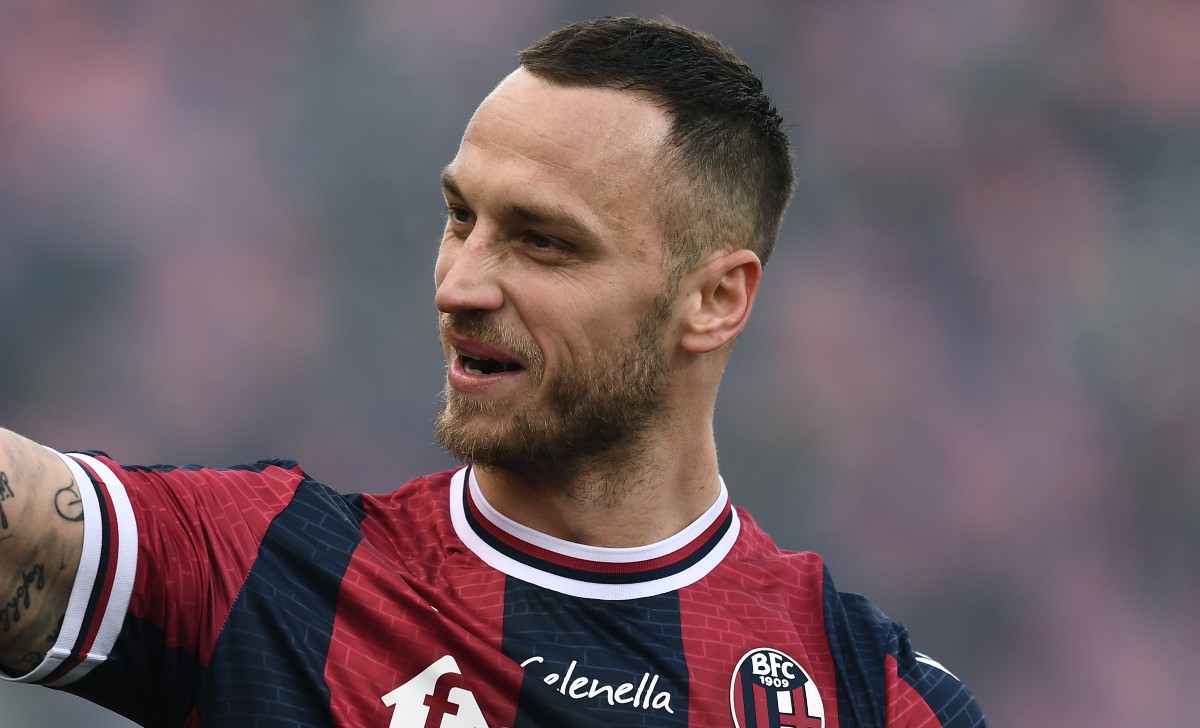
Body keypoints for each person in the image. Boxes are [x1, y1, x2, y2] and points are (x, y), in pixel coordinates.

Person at [0, 16, 987, 728]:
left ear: (715, 299)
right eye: (461, 218)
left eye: (543, 241)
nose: (459, 285)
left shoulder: (868, 696)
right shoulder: (270, 571)